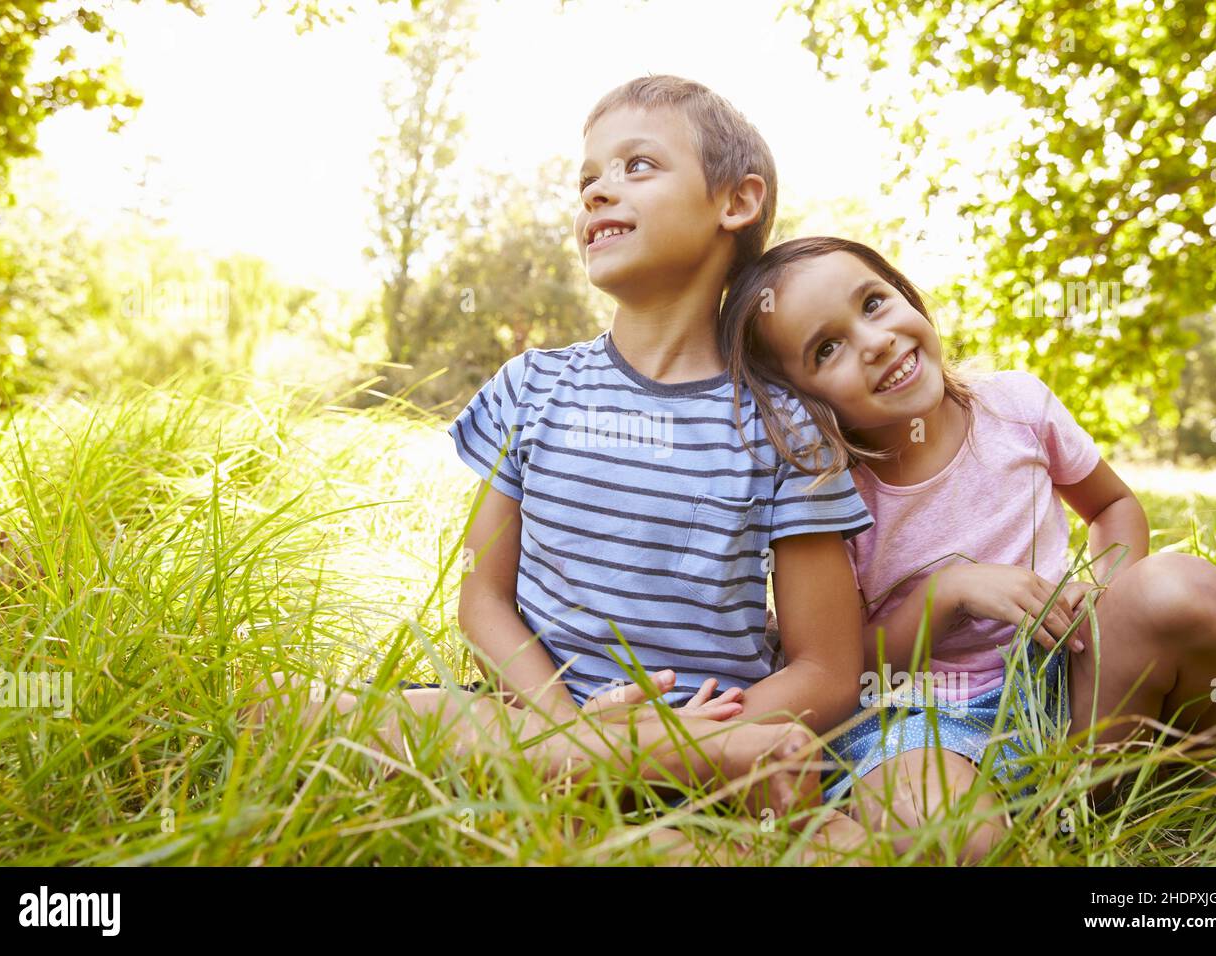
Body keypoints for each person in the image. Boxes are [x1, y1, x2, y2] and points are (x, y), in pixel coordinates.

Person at [247, 79, 875, 842]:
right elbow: (482, 599)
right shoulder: (531, 387)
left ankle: (616, 797)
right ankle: (591, 776)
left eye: (637, 166)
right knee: (279, 705)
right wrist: (574, 733)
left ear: (735, 202)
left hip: (714, 736)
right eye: (587, 181)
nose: (599, 193)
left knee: (809, 810)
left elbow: (829, 671)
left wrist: (672, 740)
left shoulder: (785, 428)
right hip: (545, 719)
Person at [717, 236, 1216, 861]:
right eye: (827, 348)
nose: (875, 342)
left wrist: (1107, 588)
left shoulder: (1015, 407)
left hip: (1072, 672)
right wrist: (946, 594)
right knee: (952, 833)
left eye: (873, 303)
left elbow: (1112, 507)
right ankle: (1024, 819)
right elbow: (846, 666)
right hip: (926, 720)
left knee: (1188, 592)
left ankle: (1165, 771)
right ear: (799, 401)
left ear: (907, 295)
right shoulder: (825, 498)